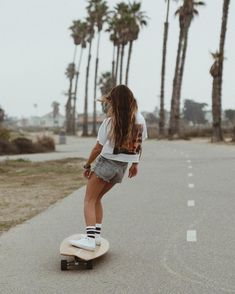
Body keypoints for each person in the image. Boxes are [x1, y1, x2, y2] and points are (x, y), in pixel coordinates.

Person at [70, 85, 147, 251]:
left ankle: (89, 240)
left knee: (89, 200)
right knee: (97, 199)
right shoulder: (140, 120)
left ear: (115, 102)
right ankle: (96, 236)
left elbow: (98, 148)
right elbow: (139, 145)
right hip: (121, 168)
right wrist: (135, 164)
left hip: (106, 163)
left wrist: (87, 164)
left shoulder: (110, 121)